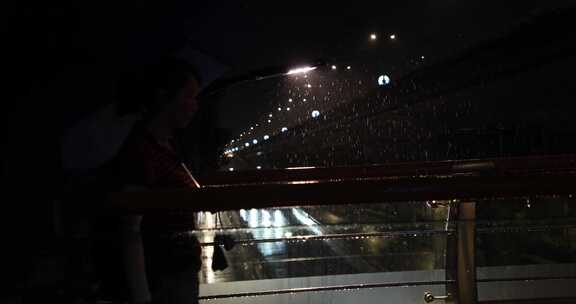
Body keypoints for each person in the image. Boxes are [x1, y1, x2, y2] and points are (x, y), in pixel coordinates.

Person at [95, 57, 204, 304]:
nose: (194, 106)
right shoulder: (142, 152)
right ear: (163, 97)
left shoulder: (166, 147)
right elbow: (130, 231)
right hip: (164, 282)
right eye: (188, 96)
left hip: (178, 274)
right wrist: (142, 297)